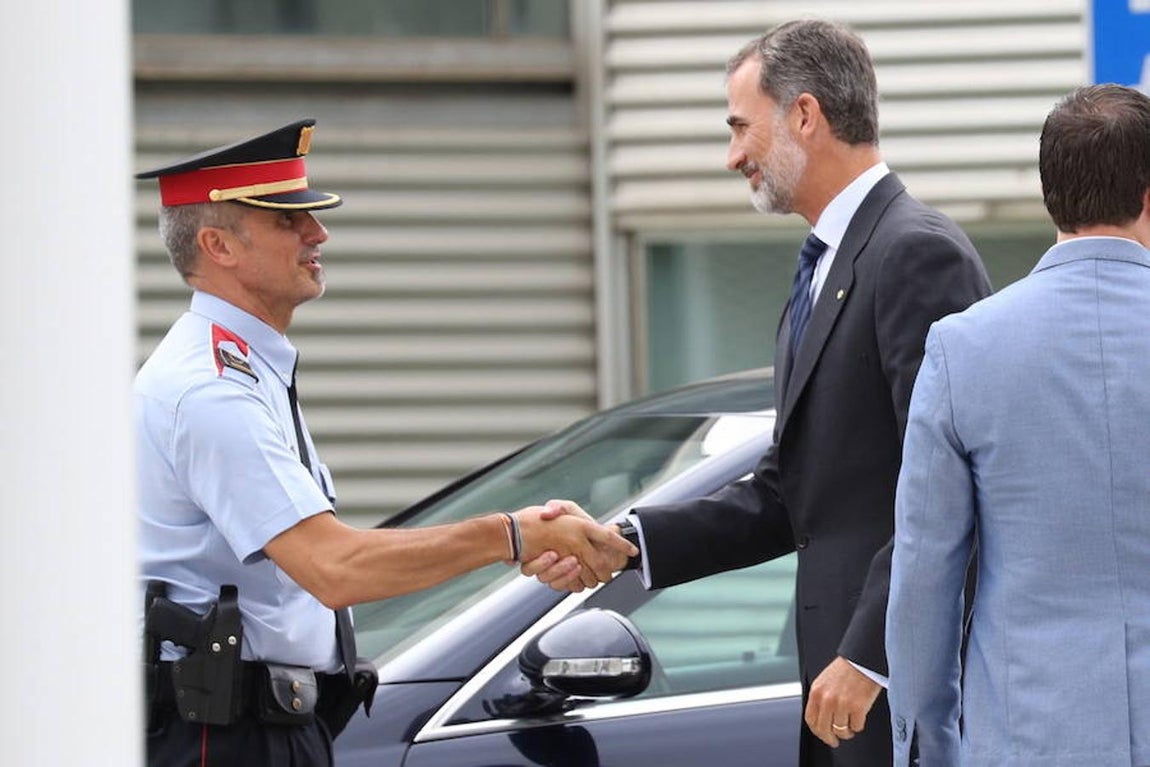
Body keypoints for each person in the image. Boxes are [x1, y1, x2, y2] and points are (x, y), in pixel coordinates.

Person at [525, 19, 990, 766]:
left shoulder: (915, 254)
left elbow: (953, 486)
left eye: (741, 127)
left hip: (895, 698)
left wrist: (872, 655)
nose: (733, 154)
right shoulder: (827, 265)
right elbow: (793, 489)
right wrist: (629, 544)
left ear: (805, 115)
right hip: (837, 698)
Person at [135, 119, 636, 767]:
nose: (318, 234)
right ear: (218, 245)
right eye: (288, 221)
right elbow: (335, 568)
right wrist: (513, 534)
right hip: (223, 736)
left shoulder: (240, 369)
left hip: (254, 724)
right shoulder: (210, 389)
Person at [886, 84, 1150, 767]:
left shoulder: (962, 349)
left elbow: (923, 577)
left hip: (1027, 740)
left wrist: (931, 742)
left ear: (1049, 193)